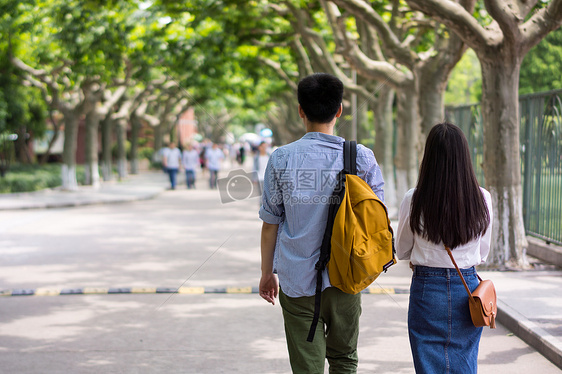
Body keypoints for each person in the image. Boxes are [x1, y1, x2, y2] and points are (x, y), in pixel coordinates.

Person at [258, 73, 384, 374]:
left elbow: (271, 223)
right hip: (347, 276)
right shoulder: (361, 158)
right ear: (339, 110)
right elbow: (377, 218)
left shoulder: (281, 159)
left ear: (301, 110)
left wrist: (267, 273)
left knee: (307, 365)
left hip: (296, 278)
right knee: (344, 359)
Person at [395, 122, 493, 374]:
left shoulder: (414, 198)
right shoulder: (482, 198)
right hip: (468, 288)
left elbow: (402, 249)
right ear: (464, 157)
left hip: (427, 290)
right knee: (464, 361)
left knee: (427, 363)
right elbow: (482, 253)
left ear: (429, 158)